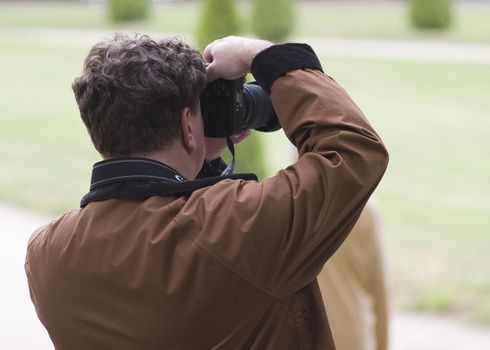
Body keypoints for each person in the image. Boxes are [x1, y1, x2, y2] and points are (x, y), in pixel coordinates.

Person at [25, 34, 388, 349]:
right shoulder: (236, 228)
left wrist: (197, 160)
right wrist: (257, 54)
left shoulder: (46, 254)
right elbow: (354, 152)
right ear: (186, 125)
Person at [318, 200, 390, 350]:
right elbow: (380, 289)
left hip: (306, 333)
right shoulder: (365, 209)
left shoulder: (292, 205)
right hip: (352, 336)